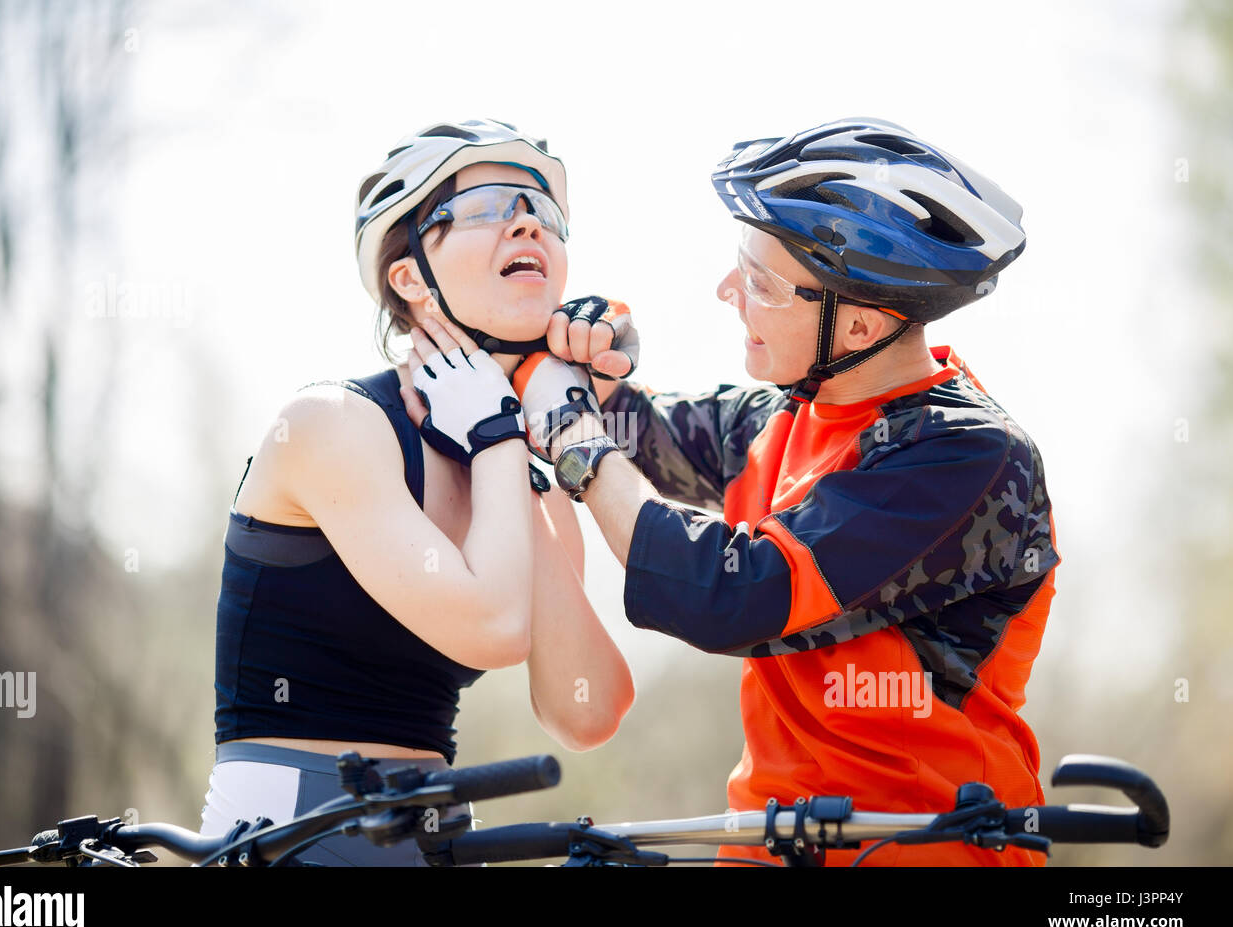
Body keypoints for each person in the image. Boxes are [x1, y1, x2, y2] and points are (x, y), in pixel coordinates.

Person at [411, 117, 1059, 866]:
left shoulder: (967, 458)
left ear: (857, 325)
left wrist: (576, 442)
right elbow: (634, 429)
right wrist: (573, 346)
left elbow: (727, 593)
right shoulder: (776, 418)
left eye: (759, 282)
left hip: (930, 852)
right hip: (770, 846)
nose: (727, 293)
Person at [198, 119, 635, 866]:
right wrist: (498, 434)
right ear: (408, 278)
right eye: (492, 204)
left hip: (431, 830)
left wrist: (527, 429)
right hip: (288, 830)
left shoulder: (516, 465)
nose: (528, 219)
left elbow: (585, 706)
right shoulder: (329, 425)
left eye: (543, 212)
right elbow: (495, 628)